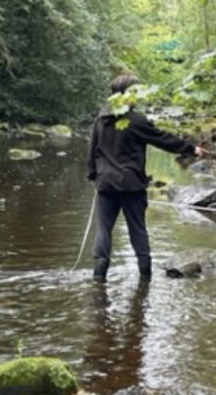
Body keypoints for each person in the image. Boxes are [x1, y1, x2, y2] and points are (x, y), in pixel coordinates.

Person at [86, 74, 206, 283]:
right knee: (137, 230)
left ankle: (98, 279)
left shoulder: (100, 120)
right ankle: (145, 280)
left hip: (106, 184)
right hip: (131, 184)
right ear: (130, 95)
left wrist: (94, 176)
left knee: (103, 230)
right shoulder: (136, 120)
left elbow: (91, 151)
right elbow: (162, 139)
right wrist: (191, 149)